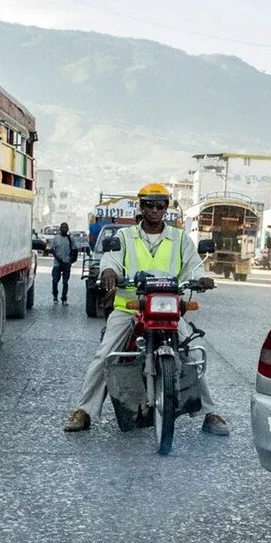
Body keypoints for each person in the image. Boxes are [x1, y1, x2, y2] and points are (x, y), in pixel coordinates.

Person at [64, 183, 230, 436]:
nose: (155, 210)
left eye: (160, 205)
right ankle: (84, 411)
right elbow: (112, 259)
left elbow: (195, 266)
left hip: (168, 309)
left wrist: (202, 278)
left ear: (167, 208)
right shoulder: (124, 237)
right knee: (105, 354)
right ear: (141, 208)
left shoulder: (180, 238)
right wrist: (109, 271)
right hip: (130, 307)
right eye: (149, 205)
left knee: (193, 355)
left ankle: (210, 412)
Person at [50, 222, 74, 306]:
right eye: (63, 227)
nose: (64, 229)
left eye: (66, 228)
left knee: (65, 282)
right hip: (57, 263)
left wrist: (71, 260)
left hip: (66, 263)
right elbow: (52, 249)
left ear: (68, 229)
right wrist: (57, 258)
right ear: (60, 229)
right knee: (55, 281)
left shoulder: (70, 239)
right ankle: (55, 296)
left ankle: (64, 299)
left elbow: (74, 250)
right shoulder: (56, 238)